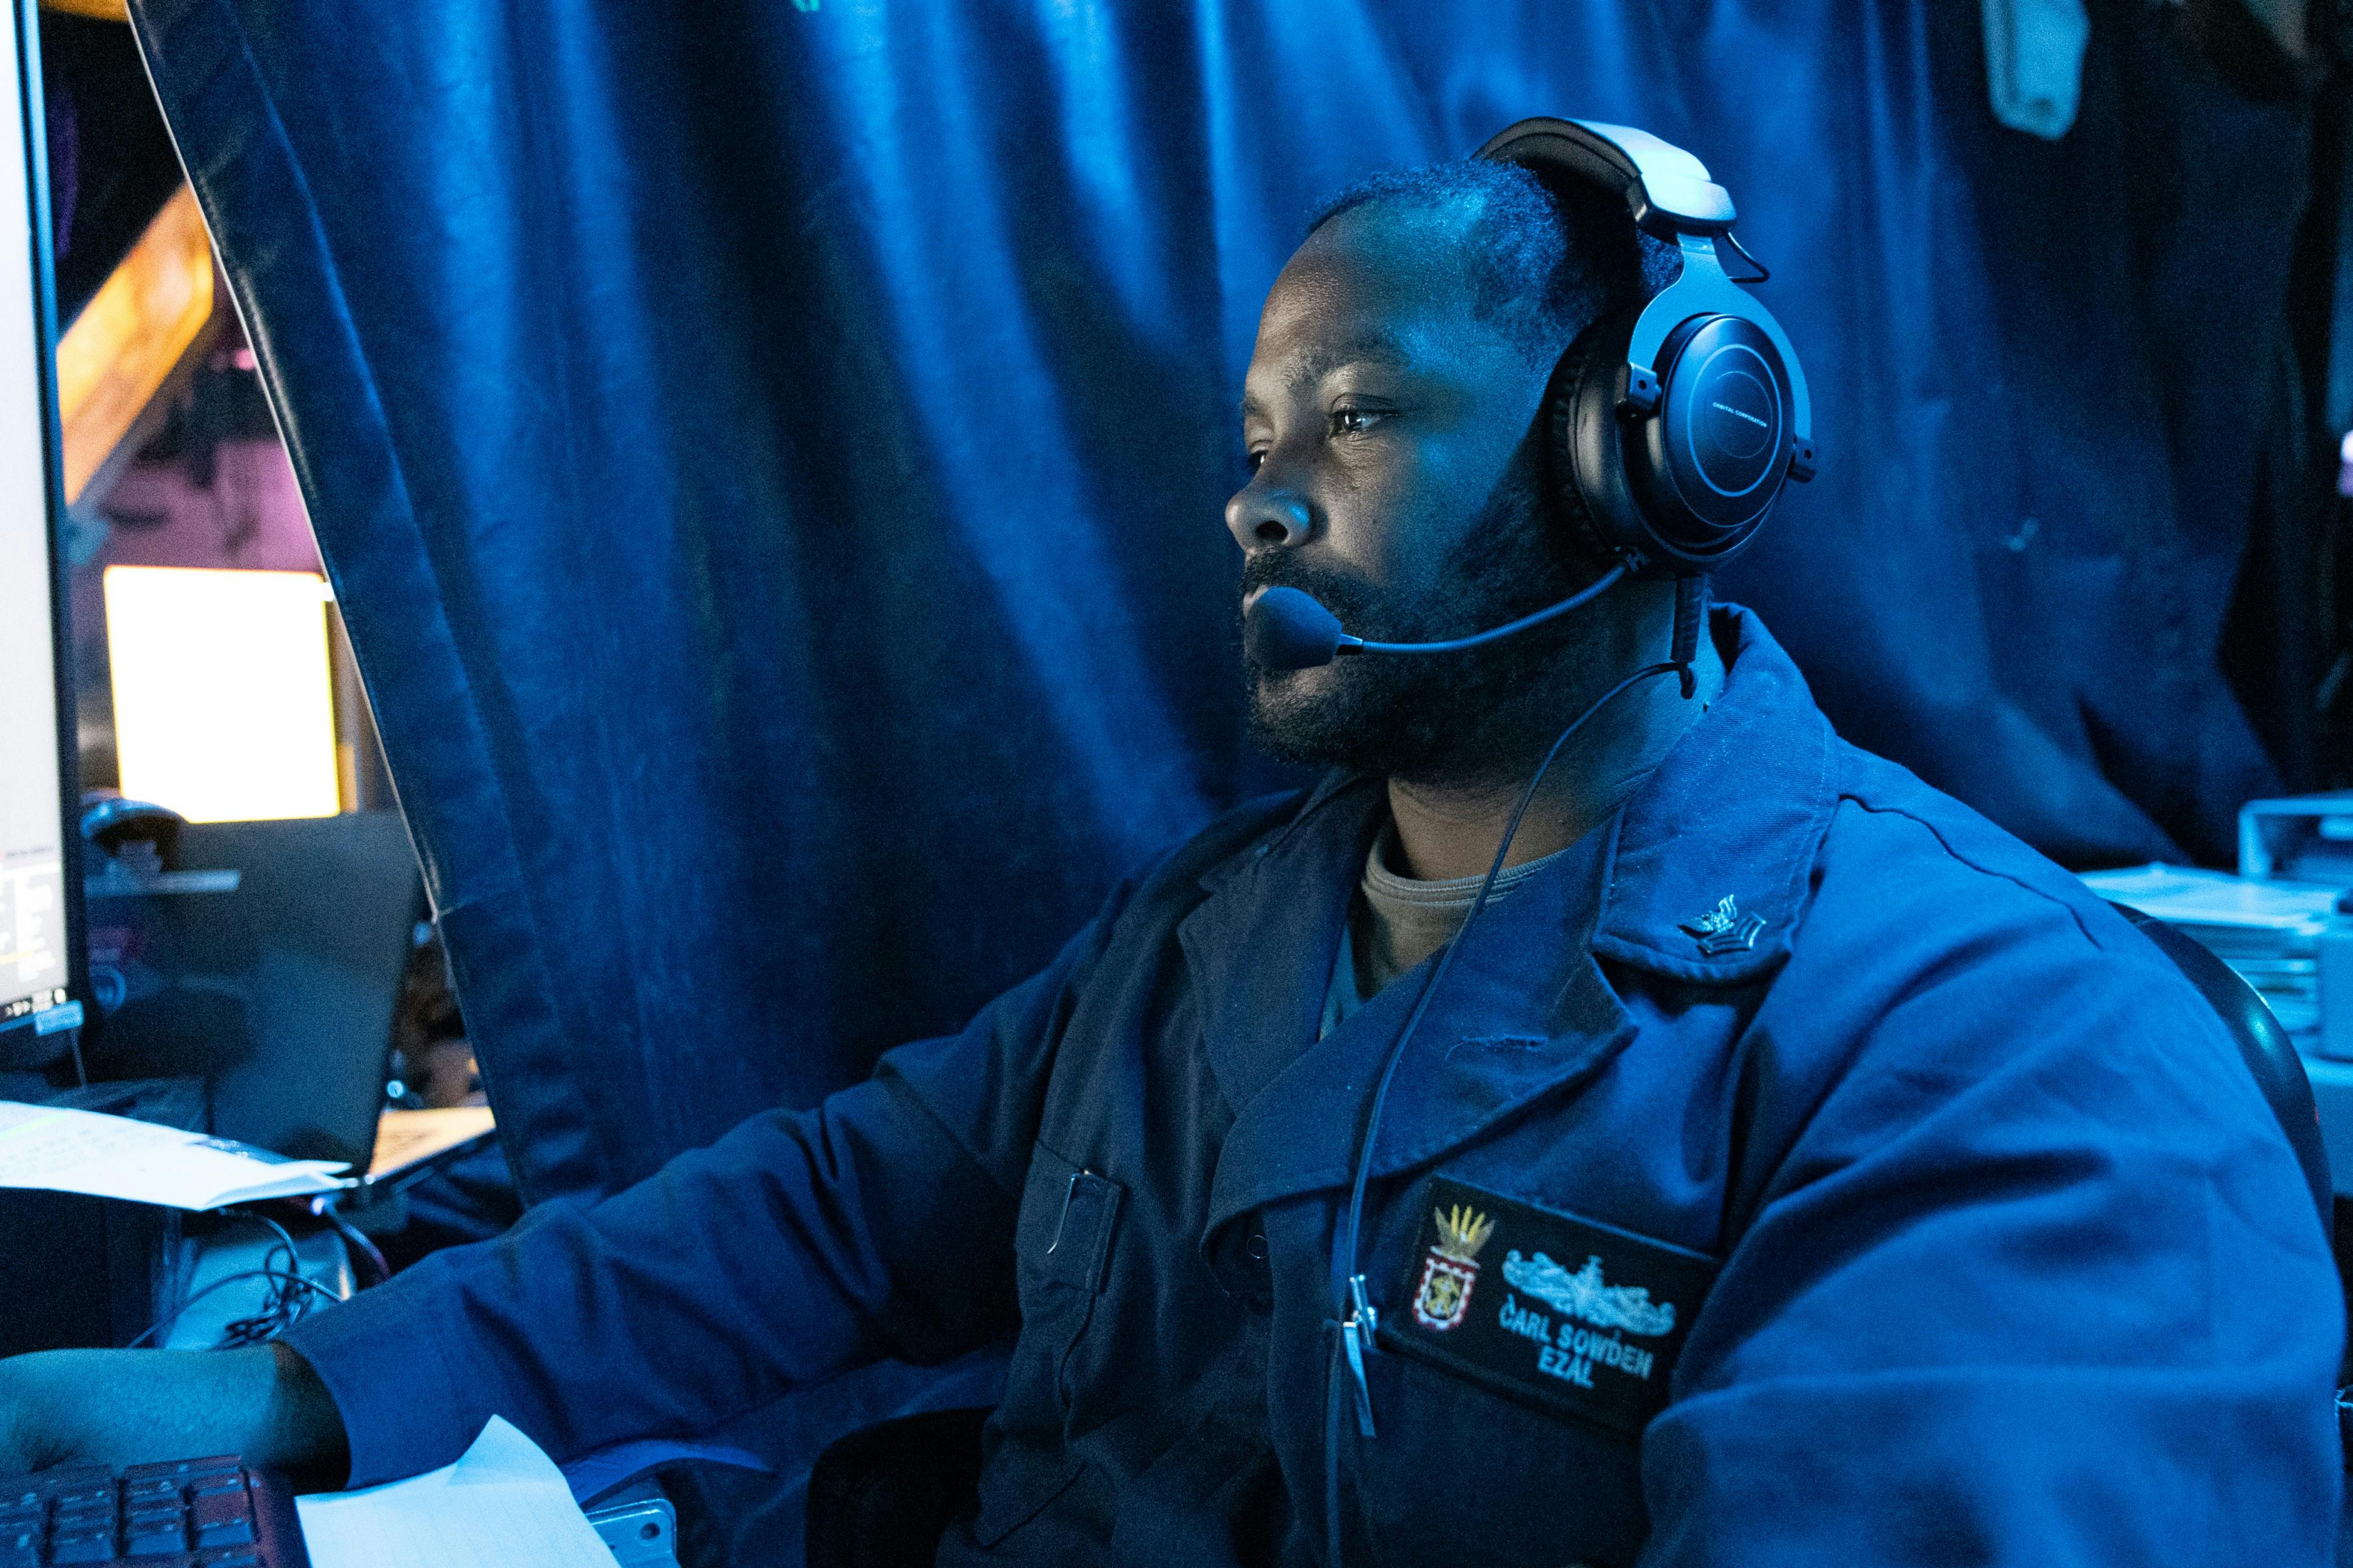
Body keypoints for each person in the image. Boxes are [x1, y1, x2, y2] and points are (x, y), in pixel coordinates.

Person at [0, 139, 2340, 1567]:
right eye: (1251, 436)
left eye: (1361, 417)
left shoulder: (1998, 1056)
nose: (1259, 497)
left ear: (1663, 460)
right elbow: (809, 1221)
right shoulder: (1218, 932)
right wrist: (259, 1404)